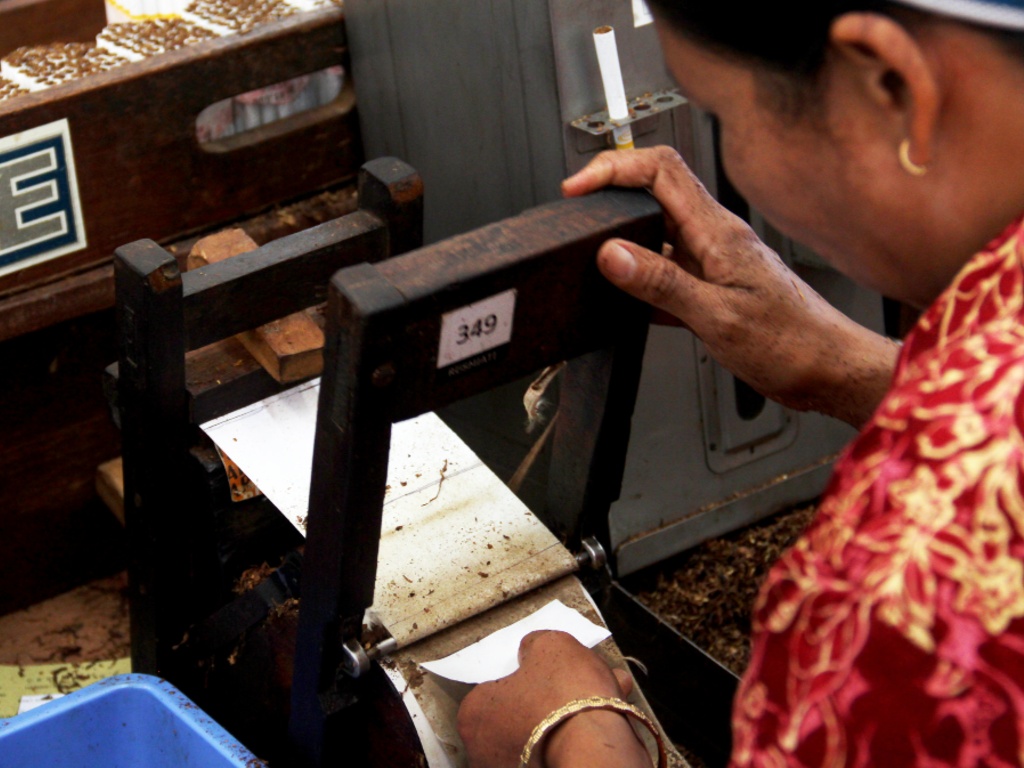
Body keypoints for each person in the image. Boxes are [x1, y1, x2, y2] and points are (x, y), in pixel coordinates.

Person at [457, 0, 1024, 765]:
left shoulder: (905, 590)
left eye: (721, 115)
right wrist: (857, 373)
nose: (732, 163)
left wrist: (574, 734)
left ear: (893, 85)